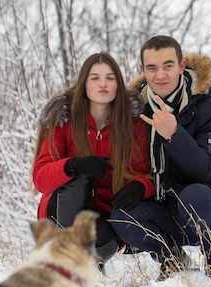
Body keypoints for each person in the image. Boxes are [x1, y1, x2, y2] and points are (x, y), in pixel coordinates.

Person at [110, 35, 211, 280]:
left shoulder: (210, 110)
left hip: (204, 209)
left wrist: (174, 135)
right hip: (164, 209)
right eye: (152, 68)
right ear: (143, 70)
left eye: (168, 66)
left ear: (182, 66)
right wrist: (138, 186)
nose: (160, 75)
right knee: (121, 213)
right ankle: (170, 257)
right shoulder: (135, 113)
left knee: (195, 195)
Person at [32, 52, 154, 268]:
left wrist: (139, 187)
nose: (103, 84)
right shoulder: (64, 119)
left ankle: (88, 262)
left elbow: (144, 174)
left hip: (104, 215)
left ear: (118, 83)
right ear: (84, 84)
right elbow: (41, 178)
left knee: (102, 242)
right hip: (60, 211)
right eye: (95, 78)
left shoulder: (132, 123)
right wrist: (71, 166)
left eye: (109, 78)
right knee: (74, 177)